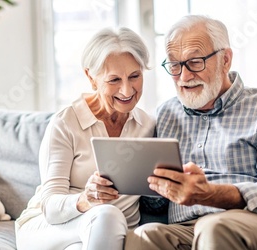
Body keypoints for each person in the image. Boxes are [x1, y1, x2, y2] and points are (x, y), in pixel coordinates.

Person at [125, 15, 257, 250]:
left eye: (195, 62)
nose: (184, 77)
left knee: (214, 228)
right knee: (142, 236)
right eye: (175, 65)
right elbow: (155, 205)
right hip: (186, 227)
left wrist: (210, 194)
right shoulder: (166, 113)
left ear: (225, 60)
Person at [15, 27, 155, 250]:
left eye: (134, 76)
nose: (127, 90)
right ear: (91, 77)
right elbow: (50, 208)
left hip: (108, 235)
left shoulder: (148, 126)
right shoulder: (65, 124)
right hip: (51, 227)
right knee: (107, 215)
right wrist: (86, 198)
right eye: (114, 80)